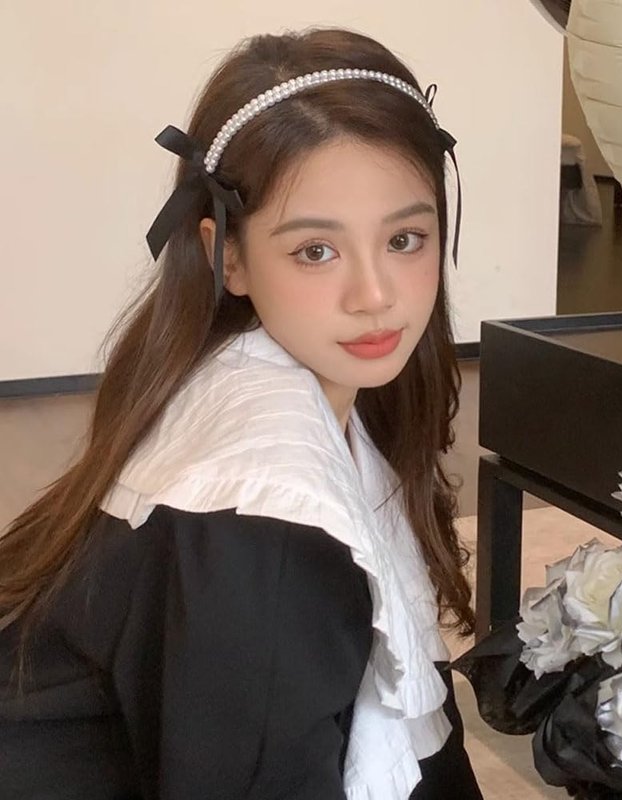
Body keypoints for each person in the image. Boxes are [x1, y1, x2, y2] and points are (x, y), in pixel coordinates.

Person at [0, 27, 484, 800]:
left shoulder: (288, 391)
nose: (375, 294)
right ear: (228, 255)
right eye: (316, 251)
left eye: (405, 238)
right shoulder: (263, 521)